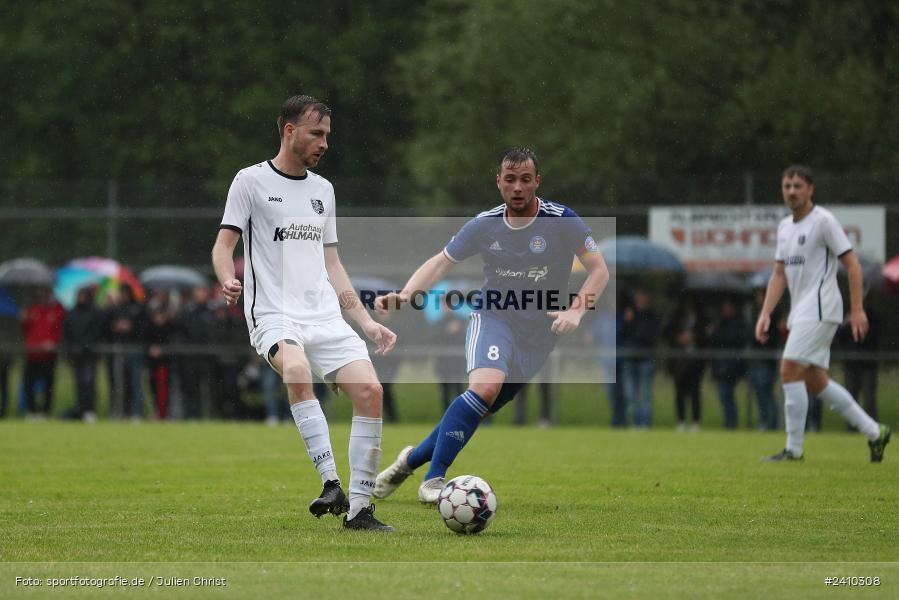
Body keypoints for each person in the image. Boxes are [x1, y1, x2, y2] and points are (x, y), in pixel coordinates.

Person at [372, 147, 609, 503]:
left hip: (538, 337)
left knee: (477, 407)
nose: (517, 187)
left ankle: (409, 461)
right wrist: (404, 296)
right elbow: (440, 264)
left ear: (537, 183)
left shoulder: (562, 220)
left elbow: (599, 270)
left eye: (525, 180)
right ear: (499, 182)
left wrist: (576, 310)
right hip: (493, 317)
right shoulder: (484, 225)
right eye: (510, 179)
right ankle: (434, 481)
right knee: (483, 389)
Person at [211, 94, 397, 531]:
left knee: (371, 392)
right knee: (295, 368)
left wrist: (367, 322)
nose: (325, 143)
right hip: (274, 313)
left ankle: (359, 510)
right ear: (288, 130)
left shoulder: (323, 190)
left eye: (328, 135)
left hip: (324, 317)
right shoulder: (250, 181)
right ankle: (330, 480)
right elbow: (224, 245)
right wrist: (226, 278)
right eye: (317, 133)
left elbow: (333, 264)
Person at [756, 165, 890, 462]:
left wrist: (856, 310)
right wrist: (766, 312)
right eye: (787, 186)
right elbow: (779, 274)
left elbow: (853, 265)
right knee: (816, 382)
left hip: (820, 307)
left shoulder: (824, 221)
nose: (791, 191)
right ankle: (875, 431)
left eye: (797, 186)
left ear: (810, 189)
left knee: (788, 369)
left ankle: (794, 449)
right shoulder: (784, 227)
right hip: (801, 310)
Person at [663, 296, 708, 432]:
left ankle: (695, 422)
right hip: (679, 361)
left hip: (695, 361)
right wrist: (679, 338)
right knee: (680, 393)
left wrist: (693, 336)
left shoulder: (701, 319)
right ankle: (681, 421)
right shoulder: (676, 318)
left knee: (695, 392)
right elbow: (666, 333)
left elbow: (706, 336)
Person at [62, 287, 106, 422]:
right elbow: (66, 333)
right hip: (75, 354)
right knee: (79, 384)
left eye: (83, 295)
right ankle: (81, 409)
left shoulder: (95, 312)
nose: (80, 298)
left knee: (89, 383)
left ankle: (89, 410)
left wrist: (85, 346)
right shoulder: (72, 312)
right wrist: (69, 349)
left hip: (90, 354)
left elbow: (97, 332)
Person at [619, 289, 660, 429]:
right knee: (630, 394)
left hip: (645, 360)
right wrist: (627, 321)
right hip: (629, 359)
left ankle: (645, 424)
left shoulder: (652, 317)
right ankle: (636, 422)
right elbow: (621, 333)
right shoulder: (629, 315)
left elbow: (651, 337)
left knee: (645, 393)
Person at [21, 287, 65, 418]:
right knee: (28, 383)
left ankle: (45, 412)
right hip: (32, 354)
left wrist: (54, 342)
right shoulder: (33, 309)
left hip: (48, 356)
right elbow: (26, 329)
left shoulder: (58, 310)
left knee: (48, 385)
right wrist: (23, 319)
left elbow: (62, 330)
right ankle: (32, 411)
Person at [709, 297, 747, 430]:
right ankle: (729, 422)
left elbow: (732, 340)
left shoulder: (737, 324)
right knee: (724, 396)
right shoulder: (720, 323)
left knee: (727, 395)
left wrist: (716, 333)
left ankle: (731, 423)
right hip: (721, 366)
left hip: (731, 367)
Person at [747, 289, 782, 431]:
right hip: (757, 360)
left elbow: (771, 338)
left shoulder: (773, 316)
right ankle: (764, 421)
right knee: (760, 393)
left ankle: (772, 422)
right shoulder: (756, 314)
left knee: (766, 392)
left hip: (767, 360)